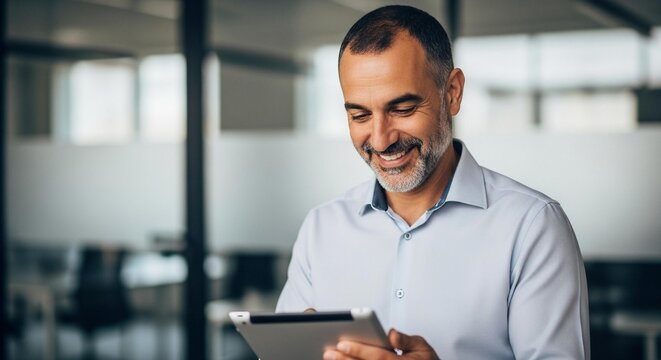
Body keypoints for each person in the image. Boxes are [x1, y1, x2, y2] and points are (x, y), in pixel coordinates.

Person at [276, 5, 590, 360]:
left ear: (452, 92)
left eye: (403, 109)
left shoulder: (532, 227)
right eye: (360, 115)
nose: (380, 140)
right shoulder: (322, 228)